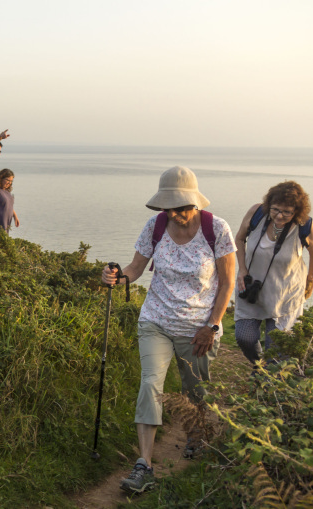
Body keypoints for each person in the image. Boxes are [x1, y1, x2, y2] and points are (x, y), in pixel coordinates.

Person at [100, 166, 236, 494]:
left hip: (199, 327)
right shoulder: (156, 226)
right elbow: (134, 268)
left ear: (195, 203)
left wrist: (213, 325)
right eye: (168, 208)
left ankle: (196, 434)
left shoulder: (217, 229)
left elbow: (228, 281)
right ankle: (144, 465)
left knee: (195, 391)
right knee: (150, 385)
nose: (174, 214)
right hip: (155, 320)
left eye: (181, 208)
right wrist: (116, 278)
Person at [234, 181, 313, 364]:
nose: (279, 216)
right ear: (268, 205)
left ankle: (269, 382)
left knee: (277, 350)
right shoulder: (257, 214)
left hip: (285, 294)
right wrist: (242, 269)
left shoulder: (305, 226)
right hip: (251, 289)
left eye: (287, 212)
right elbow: (240, 238)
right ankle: (259, 366)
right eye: (275, 210)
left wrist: (310, 281)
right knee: (245, 338)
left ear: (296, 211)